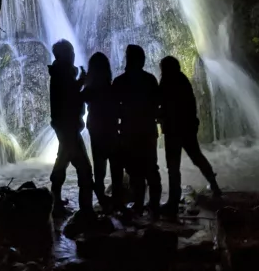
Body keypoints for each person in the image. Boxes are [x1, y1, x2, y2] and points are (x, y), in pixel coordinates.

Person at [159, 55, 222, 211]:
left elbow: (161, 103)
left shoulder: (166, 82)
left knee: (173, 165)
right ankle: (214, 185)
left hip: (174, 129)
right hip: (186, 127)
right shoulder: (182, 80)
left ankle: (173, 199)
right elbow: (190, 103)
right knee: (197, 157)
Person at [112, 45, 162, 213]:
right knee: (150, 167)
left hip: (129, 131)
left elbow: (113, 108)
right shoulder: (150, 80)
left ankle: (140, 204)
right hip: (147, 129)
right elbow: (157, 104)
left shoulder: (120, 82)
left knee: (134, 169)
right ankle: (154, 204)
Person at [48, 39, 94, 216]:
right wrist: (83, 81)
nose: (74, 55)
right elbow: (71, 98)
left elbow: (69, 95)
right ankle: (86, 210)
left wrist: (80, 81)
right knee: (84, 168)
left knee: (62, 161)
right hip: (68, 127)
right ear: (64, 55)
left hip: (64, 126)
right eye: (71, 52)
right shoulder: (62, 75)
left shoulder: (60, 73)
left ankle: (56, 202)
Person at [82, 52, 123, 211]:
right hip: (111, 129)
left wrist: (82, 80)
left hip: (96, 130)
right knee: (116, 166)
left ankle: (101, 198)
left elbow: (79, 100)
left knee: (99, 168)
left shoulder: (90, 90)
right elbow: (120, 109)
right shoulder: (112, 88)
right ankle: (117, 199)